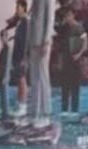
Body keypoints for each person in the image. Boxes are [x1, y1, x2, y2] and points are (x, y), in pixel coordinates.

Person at [0, 0, 29, 122]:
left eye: (18, 8)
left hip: (22, 56)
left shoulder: (26, 22)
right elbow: (12, 25)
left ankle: (23, 107)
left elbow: (27, 40)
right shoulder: (20, 22)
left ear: (24, 8)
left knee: (22, 80)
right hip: (17, 55)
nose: (16, 10)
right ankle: (20, 104)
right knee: (19, 80)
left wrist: (25, 57)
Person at [26, 0, 55, 132]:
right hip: (33, 42)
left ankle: (45, 114)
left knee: (43, 79)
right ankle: (34, 113)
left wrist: (46, 41)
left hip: (42, 43)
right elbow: (32, 20)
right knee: (34, 80)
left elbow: (50, 19)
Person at [56, 3, 87, 115]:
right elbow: (60, 46)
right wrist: (60, 60)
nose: (68, 17)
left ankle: (74, 109)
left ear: (73, 15)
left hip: (76, 60)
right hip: (66, 59)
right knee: (65, 85)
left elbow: (85, 43)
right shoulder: (64, 28)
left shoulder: (79, 27)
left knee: (75, 86)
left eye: (69, 15)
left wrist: (79, 54)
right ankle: (64, 109)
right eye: (66, 15)